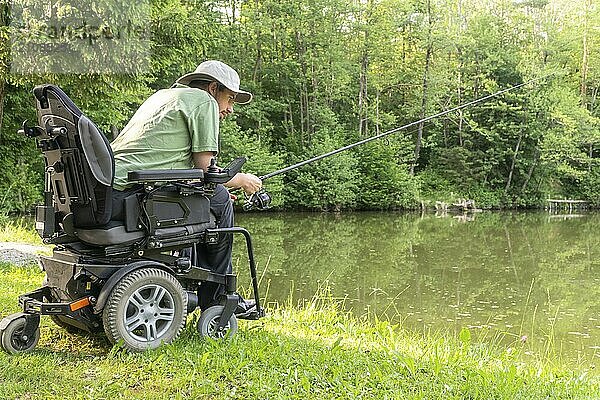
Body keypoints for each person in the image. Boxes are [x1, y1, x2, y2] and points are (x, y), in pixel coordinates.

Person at [111, 60, 262, 316]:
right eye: (231, 99)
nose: (230, 109)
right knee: (221, 199)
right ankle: (219, 299)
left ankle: (200, 288)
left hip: (111, 184)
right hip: (134, 190)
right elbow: (207, 170)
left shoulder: (163, 97)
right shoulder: (204, 102)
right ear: (213, 88)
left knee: (212, 198)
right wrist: (244, 180)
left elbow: (165, 157)